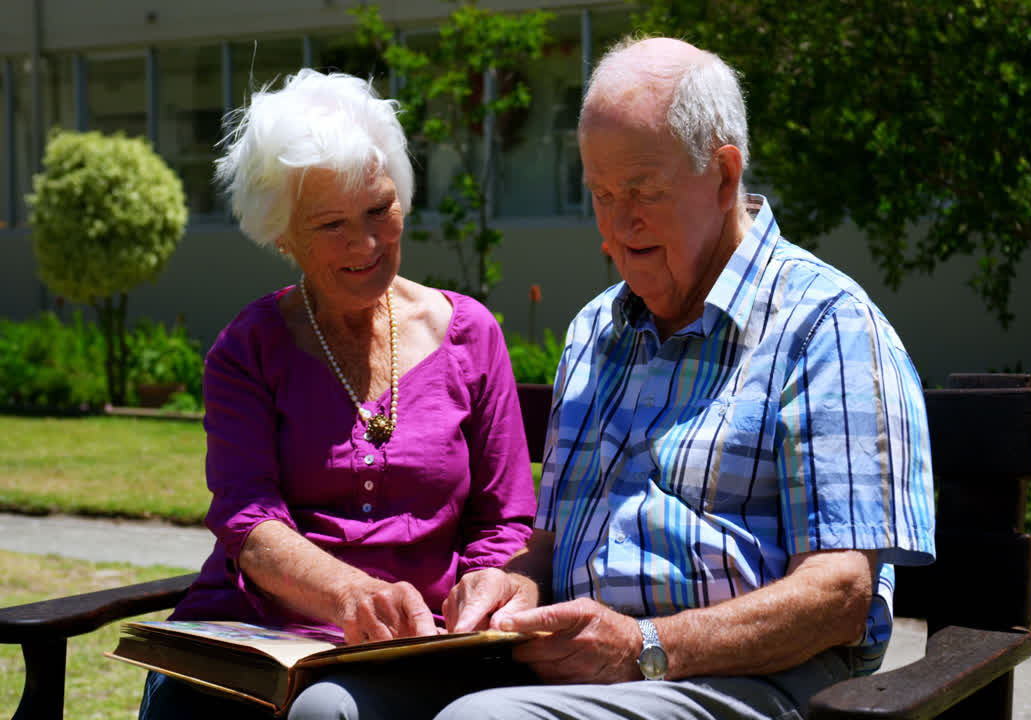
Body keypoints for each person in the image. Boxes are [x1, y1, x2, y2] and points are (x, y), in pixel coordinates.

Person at [435, 36, 936, 720]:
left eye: (642, 191)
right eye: (601, 194)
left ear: (724, 176)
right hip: (587, 675)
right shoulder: (595, 331)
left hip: (758, 680)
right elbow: (553, 546)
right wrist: (514, 584)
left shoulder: (827, 325)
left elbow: (840, 596)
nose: (618, 223)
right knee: (330, 706)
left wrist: (647, 646)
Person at [137, 69, 536, 720]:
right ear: (283, 235)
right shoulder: (250, 349)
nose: (368, 244)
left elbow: (503, 522)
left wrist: (484, 593)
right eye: (331, 225)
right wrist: (353, 595)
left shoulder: (471, 336)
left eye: (379, 209)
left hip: (417, 647)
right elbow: (250, 524)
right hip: (262, 636)